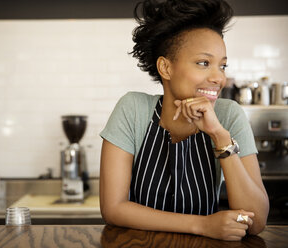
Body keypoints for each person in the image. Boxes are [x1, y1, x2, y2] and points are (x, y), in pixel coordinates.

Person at [99, 0, 269, 241]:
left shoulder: (229, 115)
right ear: (165, 68)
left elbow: (256, 220)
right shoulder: (133, 109)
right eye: (204, 63)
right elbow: (113, 208)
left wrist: (220, 137)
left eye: (222, 66)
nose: (218, 78)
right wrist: (202, 225)